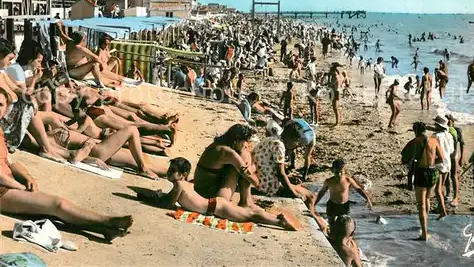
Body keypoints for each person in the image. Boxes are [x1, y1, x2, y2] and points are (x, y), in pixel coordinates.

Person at [0, 88, 133, 242]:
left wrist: (27, 177)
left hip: (9, 184)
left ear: (6, 108)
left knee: (48, 211)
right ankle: (107, 221)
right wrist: (20, 187)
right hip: (3, 190)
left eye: (1, 105)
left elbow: (8, 161)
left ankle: (103, 229)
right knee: (57, 204)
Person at [155, 158, 299, 230]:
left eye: (172, 171)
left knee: (251, 216)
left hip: (217, 207)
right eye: (169, 169)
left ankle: (280, 222)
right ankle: (277, 218)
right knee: (249, 214)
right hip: (216, 204)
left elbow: (169, 203)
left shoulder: (179, 185)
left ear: (183, 174)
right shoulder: (183, 183)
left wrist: (155, 198)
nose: (168, 173)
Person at [251, 121, 326, 228]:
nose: (296, 145)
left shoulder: (272, 139)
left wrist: (289, 178)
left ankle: (315, 216)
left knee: (298, 186)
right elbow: (280, 174)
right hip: (268, 186)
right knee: (310, 196)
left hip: (261, 179)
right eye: (296, 142)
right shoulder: (279, 146)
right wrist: (293, 193)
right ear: (290, 138)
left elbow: (272, 167)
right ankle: (314, 220)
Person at [193, 124, 259, 208]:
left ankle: (246, 201)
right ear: (236, 140)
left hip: (201, 188)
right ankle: (246, 201)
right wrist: (253, 168)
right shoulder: (229, 153)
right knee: (244, 155)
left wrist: (250, 166)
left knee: (244, 153)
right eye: (245, 141)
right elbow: (255, 182)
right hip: (209, 196)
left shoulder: (218, 145)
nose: (246, 144)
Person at [314, 159, 372, 236]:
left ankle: (345, 239)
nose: (339, 174)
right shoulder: (329, 181)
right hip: (332, 205)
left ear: (344, 171)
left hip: (344, 205)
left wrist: (367, 199)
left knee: (345, 225)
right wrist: (314, 204)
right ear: (332, 171)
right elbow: (321, 193)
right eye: (336, 172)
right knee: (332, 225)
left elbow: (359, 189)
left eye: (341, 172)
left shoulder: (348, 180)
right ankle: (333, 237)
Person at [412, 121, 447, 241]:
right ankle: (425, 226)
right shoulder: (434, 140)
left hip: (422, 172)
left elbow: (408, 158)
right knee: (427, 198)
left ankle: (424, 233)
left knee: (421, 205)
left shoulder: (416, 142)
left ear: (415, 131)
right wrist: (431, 163)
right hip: (433, 172)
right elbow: (442, 159)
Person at [432, 116, 453, 217]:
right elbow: (451, 150)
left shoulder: (435, 136)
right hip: (447, 162)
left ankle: (442, 210)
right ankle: (440, 207)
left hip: (438, 162)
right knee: (442, 186)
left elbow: (432, 150)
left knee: (437, 189)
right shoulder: (449, 135)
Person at [444, 114, 465, 207]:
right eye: (446, 120)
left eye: (449, 120)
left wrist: (462, 157)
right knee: (446, 175)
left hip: (454, 156)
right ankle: (447, 193)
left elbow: (462, 143)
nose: (448, 122)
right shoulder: (444, 130)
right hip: (445, 155)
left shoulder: (457, 130)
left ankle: (456, 197)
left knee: (453, 175)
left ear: (453, 121)